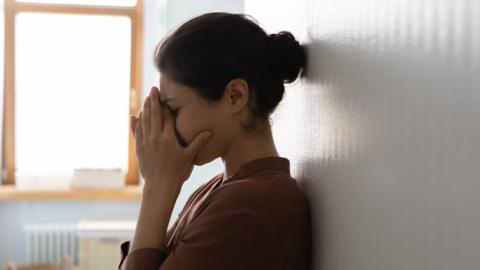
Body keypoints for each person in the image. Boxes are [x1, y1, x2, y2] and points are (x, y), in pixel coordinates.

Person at [118, 12, 311, 270]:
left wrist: (157, 188)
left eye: (173, 110)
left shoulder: (255, 204)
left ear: (235, 96)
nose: (166, 127)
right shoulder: (222, 187)